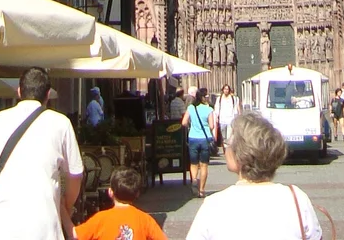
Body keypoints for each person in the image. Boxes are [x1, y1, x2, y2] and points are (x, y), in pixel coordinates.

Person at [0, 66, 84, 240]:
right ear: (48, 94)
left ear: (19, 91)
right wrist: (66, 205)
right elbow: (75, 175)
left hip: (2, 224)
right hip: (44, 224)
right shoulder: (60, 123)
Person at [186, 111, 321, 240]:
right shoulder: (297, 198)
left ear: (239, 154)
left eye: (228, 143)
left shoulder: (213, 206)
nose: (226, 147)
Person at [75, 165, 166, 240]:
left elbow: (76, 235)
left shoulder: (100, 219)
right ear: (137, 194)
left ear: (110, 192)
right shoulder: (144, 219)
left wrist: (63, 212)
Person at [182, 86, 215, 198]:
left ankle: (194, 180)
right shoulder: (209, 109)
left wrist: (192, 126)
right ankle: (201, 190)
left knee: (193, 163)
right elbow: (212, 125)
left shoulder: (191, 108)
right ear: (203, 98)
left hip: (193, 138)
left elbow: (183, 122)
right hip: (205, 139)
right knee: (204, 165)